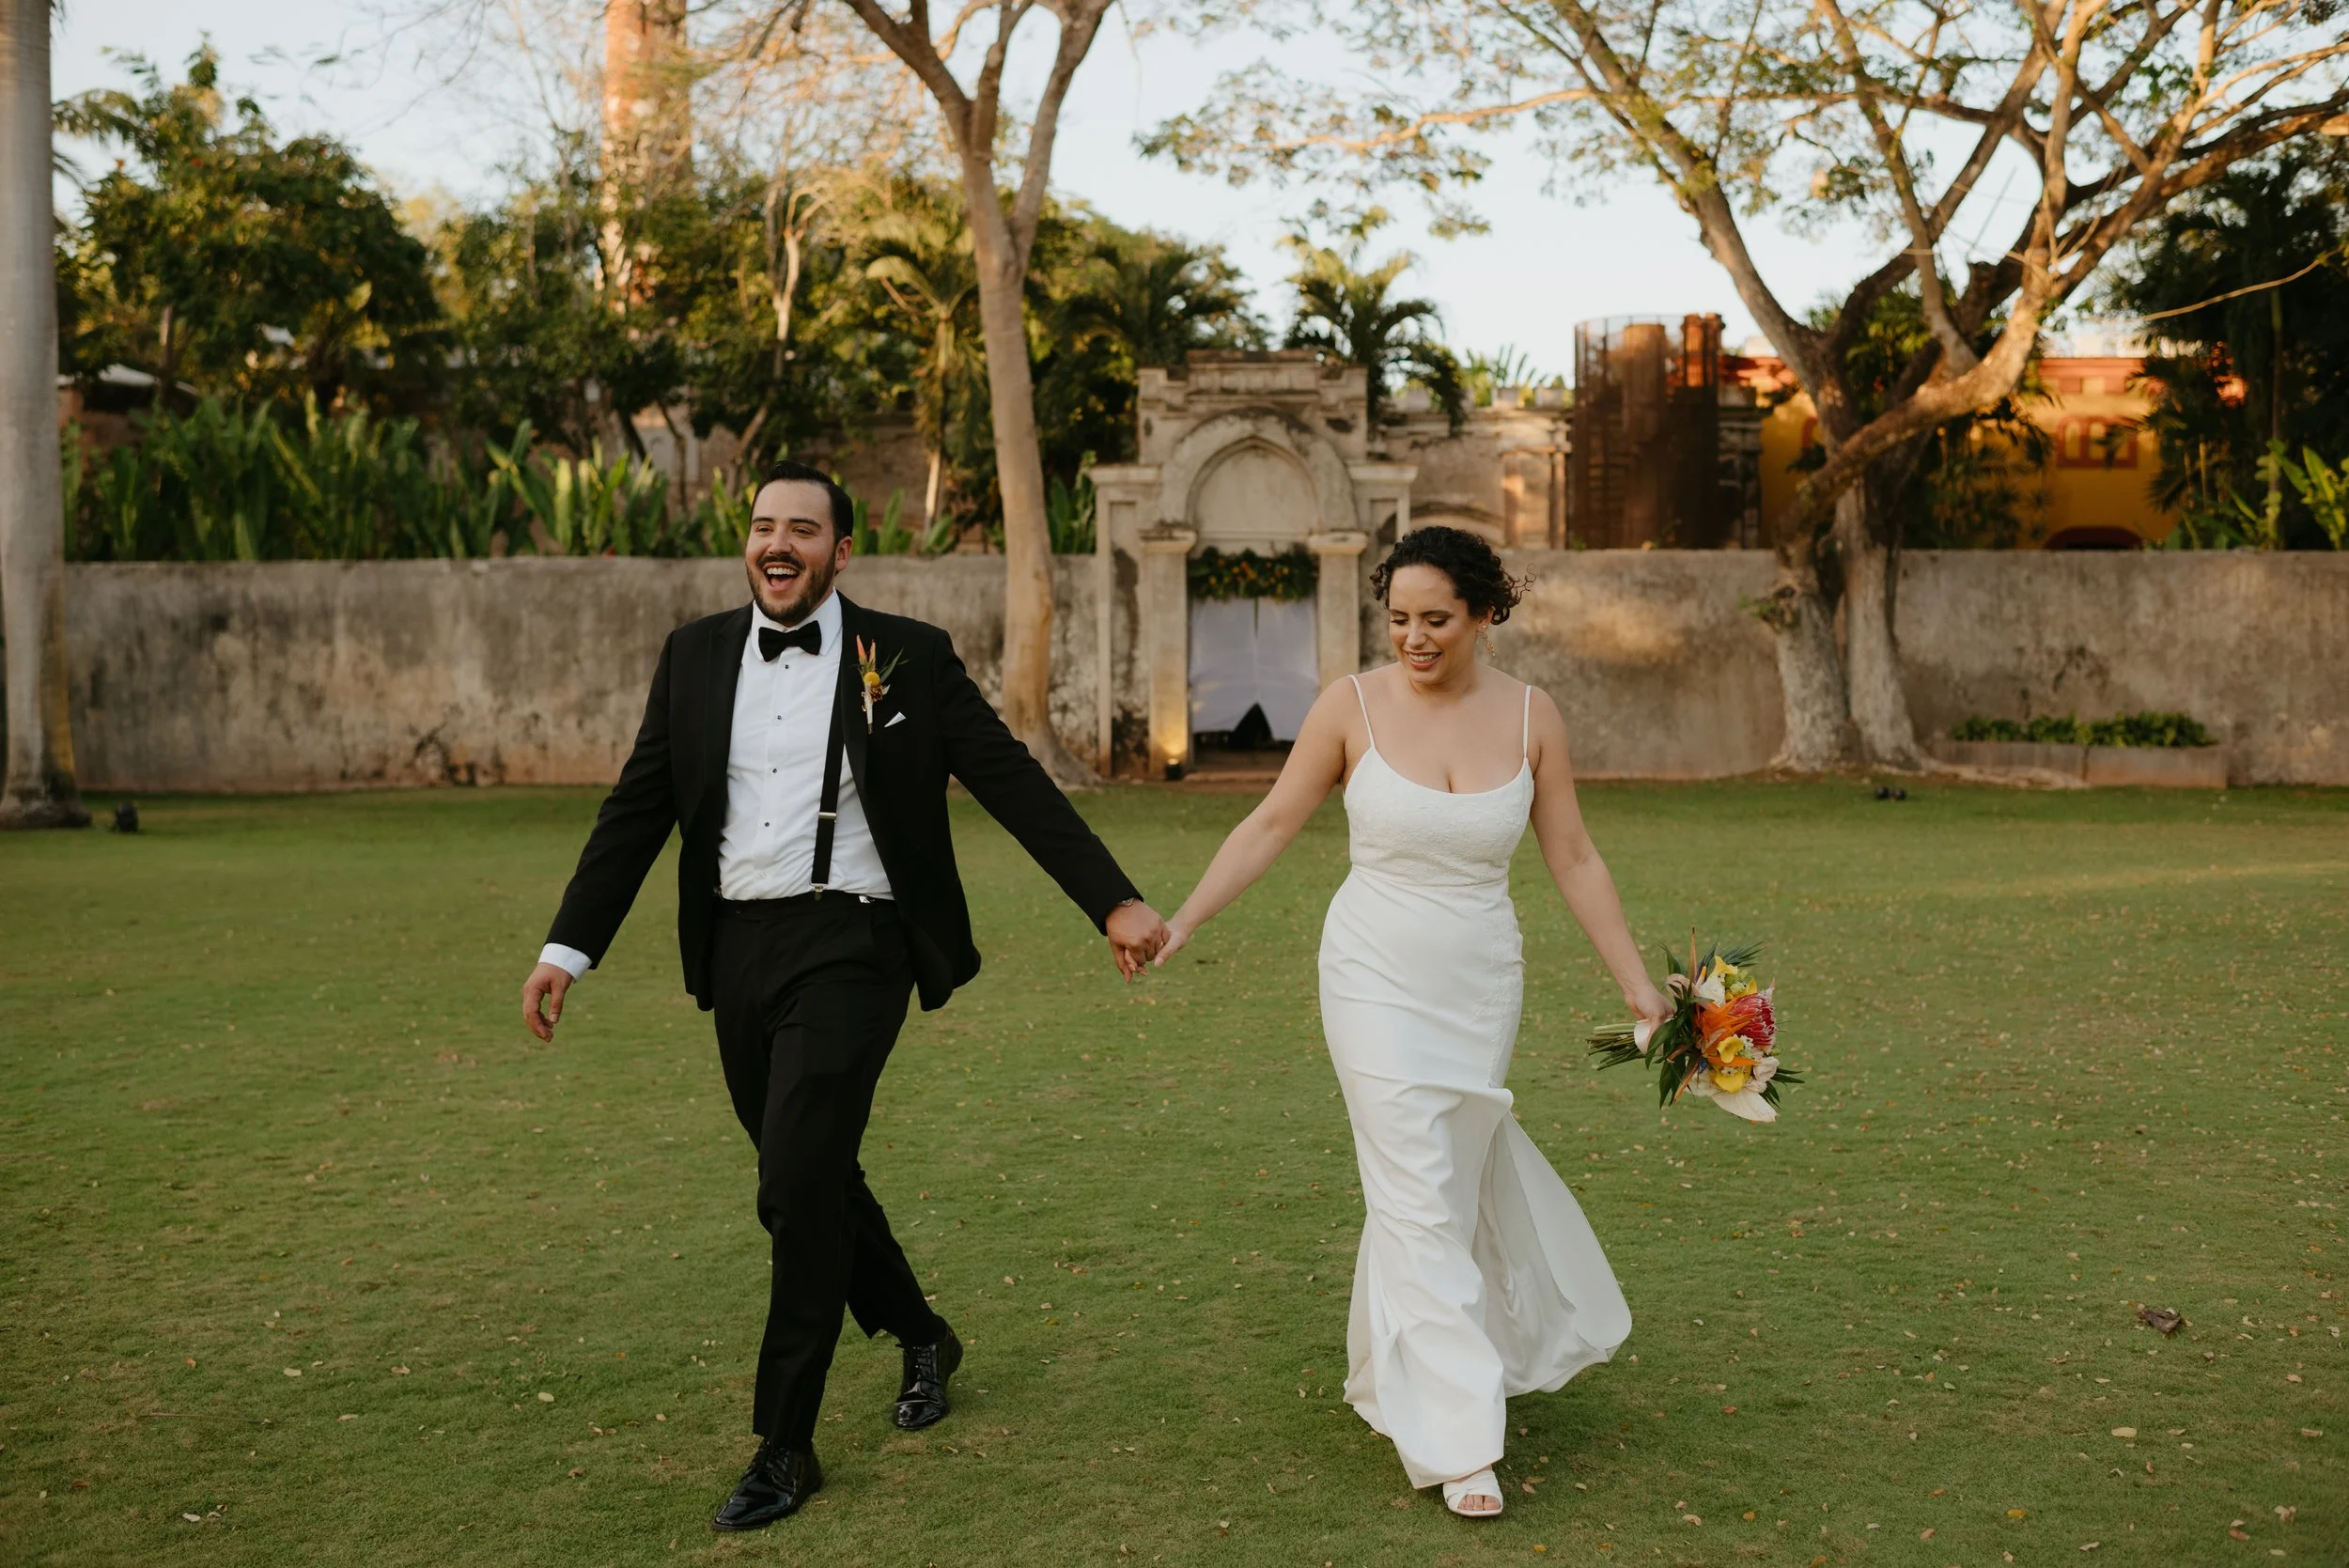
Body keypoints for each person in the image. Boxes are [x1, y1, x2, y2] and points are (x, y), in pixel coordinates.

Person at [518, 460, 1169, 1532]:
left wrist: (1112, 901)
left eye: (803, 529)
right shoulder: (692, 656)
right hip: (736, 947)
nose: (780, 544)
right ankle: (920, 1330)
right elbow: (635, 808)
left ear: (841, 549)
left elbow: (1007, 775)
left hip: (855, 942)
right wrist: (568, 947)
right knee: (807, 1177)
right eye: (764, 526)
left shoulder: (904, 656)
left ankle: (784, 1442)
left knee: (793, 1180)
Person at [1156, 525, 1670, 1518]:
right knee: (1416, 1181)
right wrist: (1183, 920)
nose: (1414, 638)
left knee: (1441, 1176)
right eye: (1397, 619)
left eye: (1436, 619)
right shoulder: (1347, 706)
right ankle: (1462, 1441)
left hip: (1479, 979)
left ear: (1484, 612)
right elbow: (1270, 821)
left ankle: (1383, 1367)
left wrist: (1636, 985)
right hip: (1372, 974)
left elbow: (1572, 856)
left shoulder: (1532, 716)